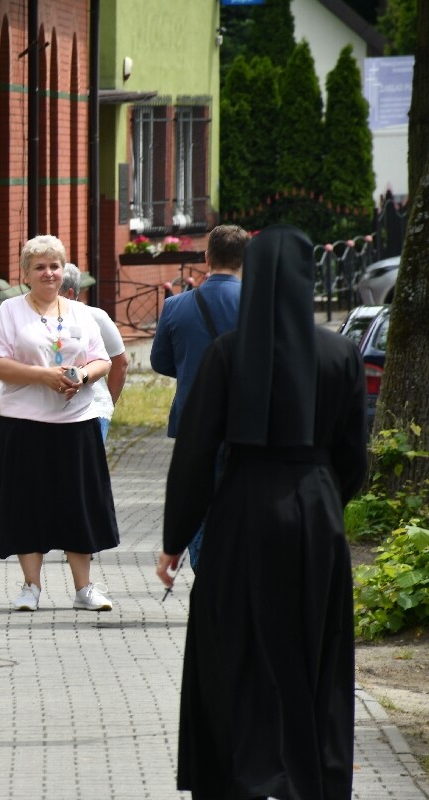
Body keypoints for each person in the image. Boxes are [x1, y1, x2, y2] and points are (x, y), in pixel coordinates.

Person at [156, 224, 367, 799]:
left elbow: (195, 454)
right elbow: (355, 455)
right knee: (314, 644)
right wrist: (324, 501)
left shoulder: (228, 354)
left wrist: (175, 539)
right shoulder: (340, 353)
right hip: (316, 508)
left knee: (231, 642)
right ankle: (311, 776)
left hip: (243, 508)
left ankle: (235, 775)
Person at [0, 236, 118, 612]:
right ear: (25, 274)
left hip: (76, 422)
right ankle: (31, 586)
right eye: (40, 267)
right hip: (22, 423)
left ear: (63, 271)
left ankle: (84, 589)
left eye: (54, 266)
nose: (48, 273)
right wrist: (43, 376)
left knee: (78, 504)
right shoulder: (10, 311)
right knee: (27, 503)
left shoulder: (80, 313)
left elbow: (102, 359)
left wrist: (82, 377)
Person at [150, 224, 249, 570]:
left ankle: (204, 570)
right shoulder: (260, 305)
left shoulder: (175, 306)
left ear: (207, 257)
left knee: (196, 500)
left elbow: (159, 361)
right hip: (245, 423)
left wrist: (192, 370)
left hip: (194, 421)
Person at [60, 264, 127, 442]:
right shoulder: (37, 319)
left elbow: (120, 363)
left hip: (93, 409)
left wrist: (107, 403)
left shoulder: (96, 317)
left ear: (69, 293)